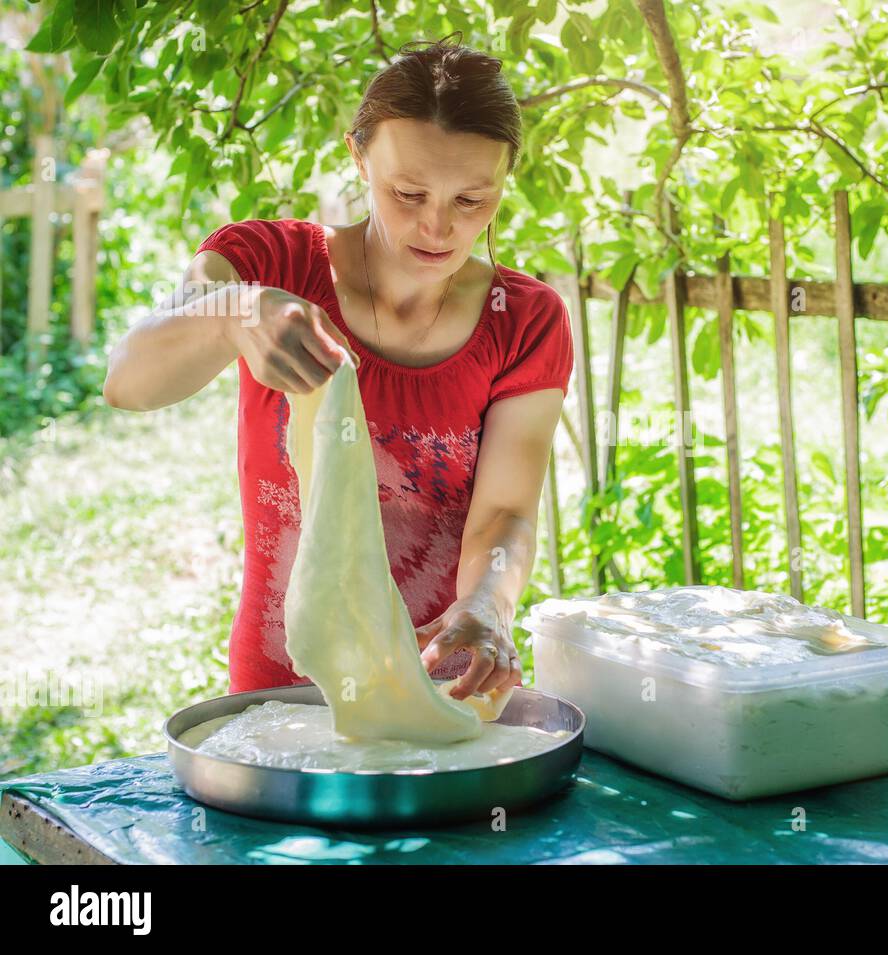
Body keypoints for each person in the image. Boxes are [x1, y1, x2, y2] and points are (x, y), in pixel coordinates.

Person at [104, 34, 574, 703]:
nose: (437, 226)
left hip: (439, 685)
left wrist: (488, 603)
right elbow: (127, 378)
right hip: (280, 687)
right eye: (408, 192)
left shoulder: (525, 320)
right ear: (358, 156)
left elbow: (504, 512)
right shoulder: (270, 260)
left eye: (472, 200)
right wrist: (235, 312)